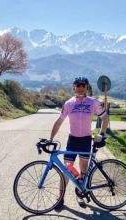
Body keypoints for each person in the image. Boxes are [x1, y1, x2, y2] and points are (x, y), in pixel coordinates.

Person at [49, 76, 108, 210]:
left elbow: (105, 118)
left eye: (83, 85)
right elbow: (59, 122)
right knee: (66, 169)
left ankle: (81, 193)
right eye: (78, 85)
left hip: (85, 140)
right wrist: (51, 138)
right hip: (73, 140)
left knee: (83, 170)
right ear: (74, 87)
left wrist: (101, 134)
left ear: (87, 87)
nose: (81, 87)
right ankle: (60, 197)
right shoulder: (69, 104)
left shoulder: (93, 103)